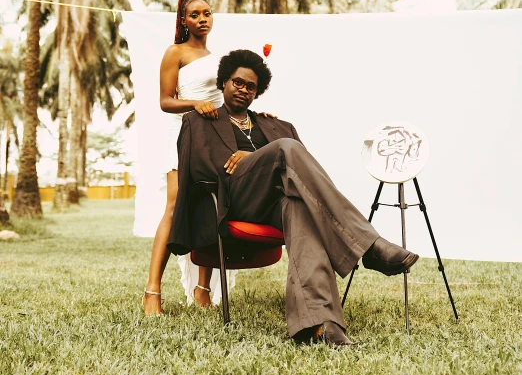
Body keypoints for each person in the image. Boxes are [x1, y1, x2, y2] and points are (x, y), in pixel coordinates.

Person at [167, 49, 419, 348]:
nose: (244, 90)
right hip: (232, 198)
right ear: (223, 82)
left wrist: (261, 151)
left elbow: (304, 176)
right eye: (238, 82)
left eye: (251, 87)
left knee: (300, 207)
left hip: (275, 205)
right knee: (284, 148)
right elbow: (197, 169)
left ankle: (320, 325)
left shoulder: (275, 126)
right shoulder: (199, 122)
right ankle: (369, 245)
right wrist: (260, 159)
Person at [142, 0, 222, 315]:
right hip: (179, 134)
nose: (202, 19)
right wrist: (194, 103)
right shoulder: (175, 52)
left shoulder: (218, 57)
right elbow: (165, 101)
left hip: (211, 139)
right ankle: (152, 292)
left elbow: (223, 103)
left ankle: (202, 290)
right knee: (174, 207)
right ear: (184, 20)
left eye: (207, 13)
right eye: (195, 15)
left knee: (210, 209)